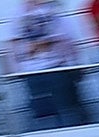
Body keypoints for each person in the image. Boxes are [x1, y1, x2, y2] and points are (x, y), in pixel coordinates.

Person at [7, 0, 88, 129]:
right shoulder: (51, 12)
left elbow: (14, 43)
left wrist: (17, 67)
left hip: (34, 71)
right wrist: (75, 63)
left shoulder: (18, 15)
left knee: (45, 113)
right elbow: (66, 40)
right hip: (53, 68)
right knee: (67, 111)